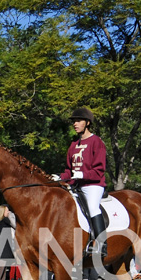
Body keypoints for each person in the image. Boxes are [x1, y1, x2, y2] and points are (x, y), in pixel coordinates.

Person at [51, 106, 108, 257]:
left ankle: (101, 244)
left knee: (93, 207)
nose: (75, 124)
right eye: (74, 121)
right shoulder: (73, 144)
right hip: (76, 185)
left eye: (78, 121)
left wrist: (80, 174)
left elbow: (99, 170)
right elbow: (69, 170)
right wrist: (59, 176)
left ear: (87, 123)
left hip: (93, 185)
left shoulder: (97, 142)